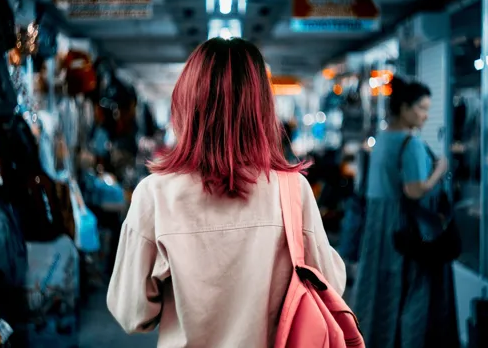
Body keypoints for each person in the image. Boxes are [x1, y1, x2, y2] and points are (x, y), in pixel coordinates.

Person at [107, 38, 346, 347]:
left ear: (186, 103)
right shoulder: (292, 190)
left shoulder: (154, 194)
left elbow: (132, 313)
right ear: (262, 108)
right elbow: (331, 284)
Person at [352, 77, 460, 348]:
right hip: (408, 229)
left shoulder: (382, 140)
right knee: (413, 293)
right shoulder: (409, 143)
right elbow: (415, 190)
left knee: (382, 290)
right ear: (404, 107)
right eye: (422, 108)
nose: (425, 116)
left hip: (380, 228)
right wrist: (440, 169)